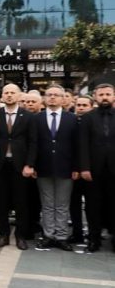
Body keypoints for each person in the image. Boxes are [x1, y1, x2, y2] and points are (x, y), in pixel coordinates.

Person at [0, 83, 37, 250]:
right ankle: (3, 235)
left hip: (20, 166)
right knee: (1, 201)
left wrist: (30, 164)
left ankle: (20, 236)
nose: (9, 95)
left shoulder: (28, 116)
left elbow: (33, 143)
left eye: (12, 93)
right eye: (6, 92)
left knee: (21, 202)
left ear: (19, 95)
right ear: (2, 96)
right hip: (0, 165)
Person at [34, 85, 77, 251]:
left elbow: (76, 145)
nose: (52, 98)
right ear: (45, 98)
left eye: (56, 95)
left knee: (62, 204)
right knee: (47, 203)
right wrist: (32, 164)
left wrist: (76, 167)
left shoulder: (71, 118)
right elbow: (34, 144)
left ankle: (61, 236)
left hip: (65, 168)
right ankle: (48, 235)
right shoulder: (37, 119)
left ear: (63, 98)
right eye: (49, 95)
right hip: (42, 167)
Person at [78, 83, 115, 252]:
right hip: (93, 170)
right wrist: (84, 168)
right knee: (93, 205)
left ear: (113, 96)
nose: (105, 97)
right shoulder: (87, 118)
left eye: (108, 94)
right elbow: (83, 145)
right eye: (101, 95)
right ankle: (93, 239)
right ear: (95, 97)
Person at [69, 95, 94, 243]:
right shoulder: (71, 122)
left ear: (91, 106)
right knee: (74, 205)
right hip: (73, 172)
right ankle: (77, 233)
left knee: (91, 206)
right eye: (79, 105)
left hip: (90, 171)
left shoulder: (94, 122)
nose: (81, 107)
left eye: (85, 105)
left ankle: (92, 234)